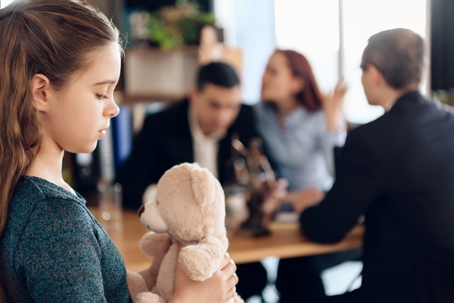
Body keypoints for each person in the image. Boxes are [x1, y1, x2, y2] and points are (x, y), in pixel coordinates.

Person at [0, 1, 237, 302]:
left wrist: (151, 279)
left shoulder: (31, 193)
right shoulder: (57, 219)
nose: (113, 108)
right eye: (100, 93)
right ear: (41, 93)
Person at [298, 28, 454, 303]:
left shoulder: (370, 139)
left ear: (374, 73)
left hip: (404, 292)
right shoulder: (449, 122)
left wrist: (304, 209)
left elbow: (328, 228)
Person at [116, 61, 283, 301]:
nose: (223, 116)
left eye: (231, 106)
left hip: (227, 248)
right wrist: (170, 204)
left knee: (255, 278)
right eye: (214, 105)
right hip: (173, 252)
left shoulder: (244, 117)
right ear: (194, 94)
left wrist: (265, 193)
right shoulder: (159, 124)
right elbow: (127, 185)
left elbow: (268, 168)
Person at [252, 49, 361, 301]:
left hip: (315, 204)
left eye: (273, 71)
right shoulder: (261, 113)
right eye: (265, 69)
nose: (264, 78)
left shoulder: (321, 115)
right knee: (288, 275)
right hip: (280, 206)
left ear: (297, 82)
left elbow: (339, 172)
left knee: (295, 274)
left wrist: (333, 119)